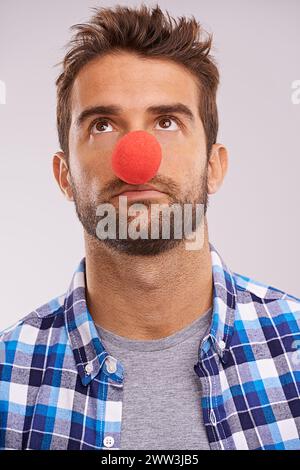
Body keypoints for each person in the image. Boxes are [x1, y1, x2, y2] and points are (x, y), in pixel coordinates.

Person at [0, 4, 299, 451]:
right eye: (102, 125)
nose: (137, 157)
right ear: (64, 176)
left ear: (214, 166)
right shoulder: (7, 382)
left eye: (166, 122)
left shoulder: (294, 350)